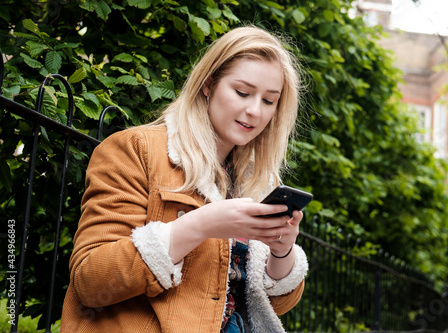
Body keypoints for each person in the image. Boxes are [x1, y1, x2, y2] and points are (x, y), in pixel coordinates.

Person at [61, 25, 309, 333]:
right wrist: (202, 225)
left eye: (269, 101)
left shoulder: (255, 181)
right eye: (242, 92)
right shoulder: (136, 150)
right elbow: (90, 281)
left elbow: (270, 305)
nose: (254, 111)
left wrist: (281, 249)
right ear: (208, 84)